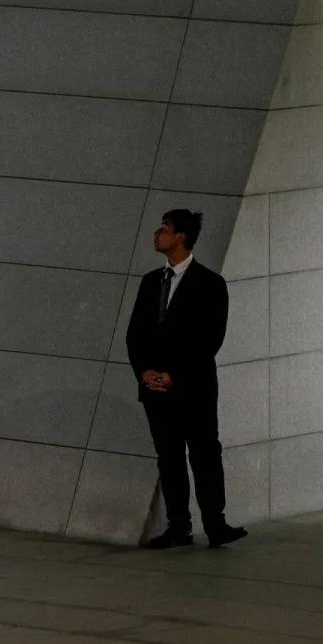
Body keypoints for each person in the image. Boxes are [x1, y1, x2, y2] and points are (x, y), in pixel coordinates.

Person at [126, 209, 246, 550]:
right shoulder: (151, 282)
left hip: (193, 388)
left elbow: (210, 339)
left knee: (205, 454)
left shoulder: (209, 283)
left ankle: (215, 524)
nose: (157, 234)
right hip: (155, 390)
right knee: (170, 457)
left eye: (164, 229)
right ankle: (179, 526)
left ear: (181, 237)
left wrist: (174, 375)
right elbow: (135, 335)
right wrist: (145, 372)